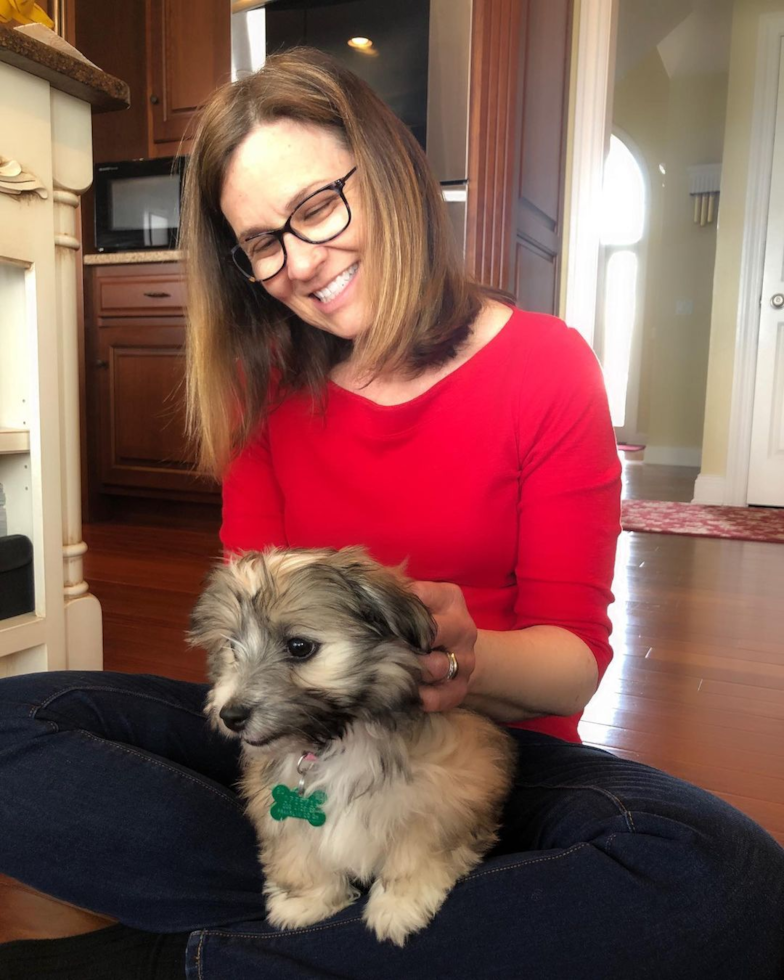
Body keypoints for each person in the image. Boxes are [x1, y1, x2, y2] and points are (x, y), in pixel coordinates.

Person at [0, 48, 782, 980]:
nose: (300, 262)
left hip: (488, 765)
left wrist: (466, 658)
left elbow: (573, 665)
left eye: (317, 207)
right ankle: (364, 936)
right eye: (261, 244)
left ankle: (189, 957)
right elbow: (253, 646)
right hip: (306, 750)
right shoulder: (265, 399)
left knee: (729, 874)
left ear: (393, 171)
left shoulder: (545, 365)